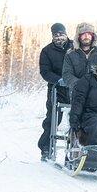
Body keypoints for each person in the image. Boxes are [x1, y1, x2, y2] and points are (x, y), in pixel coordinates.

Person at [38, 23, 73, 161]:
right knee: (52, 119)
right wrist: (58, 80)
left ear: (66, 33)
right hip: (56, 88)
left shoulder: (74, 47)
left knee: (77, 117)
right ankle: (46, 148)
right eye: (56, 35)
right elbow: (45, 71)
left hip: (74, 88)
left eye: (61, 34)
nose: (59, 37)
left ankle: (75, 149)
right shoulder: (47, 51)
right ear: (53, 36)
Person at [62, 22, 97, 90]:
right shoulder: (70, 54)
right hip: (78, 93)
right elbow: (67, 75)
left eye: (89, 34)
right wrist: (81, 84)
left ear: (93, 36)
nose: (86, 36)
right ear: (78, 36)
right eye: (83, 34)